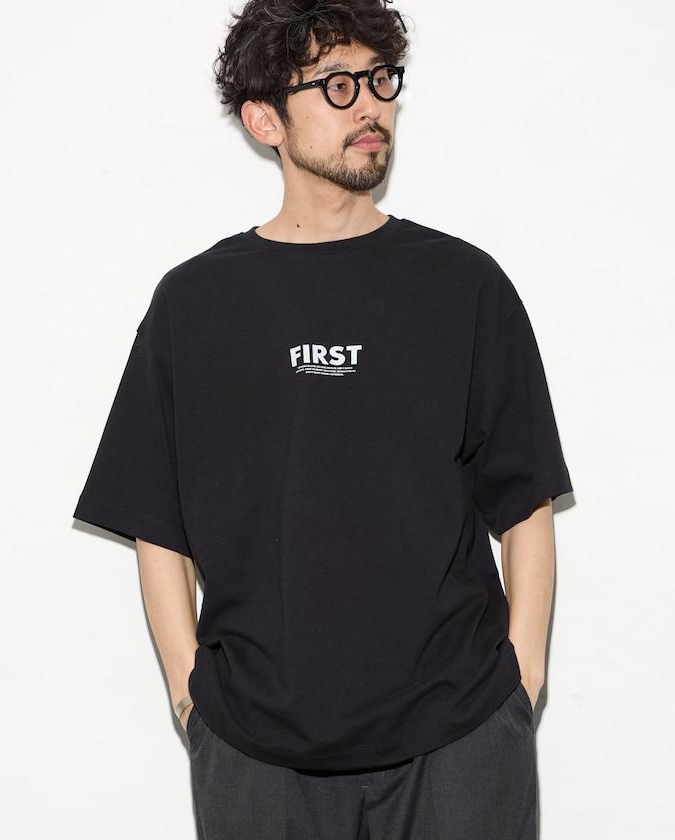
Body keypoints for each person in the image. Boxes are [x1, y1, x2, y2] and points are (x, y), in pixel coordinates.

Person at [72, 1, 574, 837]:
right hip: (257, 747)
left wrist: (522, 681)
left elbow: (525, 499)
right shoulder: (196, 303)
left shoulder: (464, 285)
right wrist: (190, 695)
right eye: (338, 86)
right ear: (264, 120)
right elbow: (155, 517)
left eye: (379, 80)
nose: (370, 106)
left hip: (461, 734)